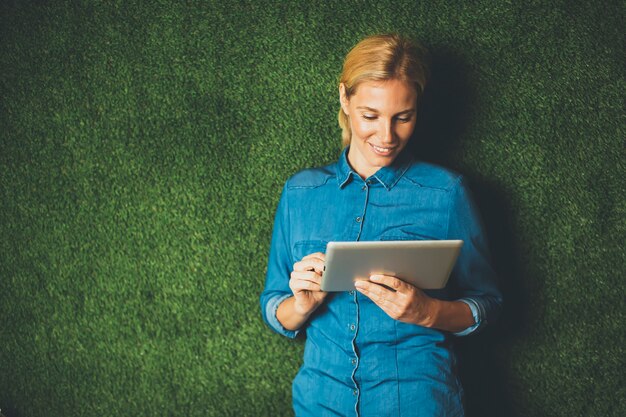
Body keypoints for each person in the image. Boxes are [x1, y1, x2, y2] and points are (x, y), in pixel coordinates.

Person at [260, 33, 502, 417]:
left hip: (417, 401)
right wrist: (301, 306)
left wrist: (427, 313)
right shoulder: (300, 192)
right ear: (345, 99)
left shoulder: (446, 193)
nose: (387, 137)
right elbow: (273, 303)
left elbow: (487, 302)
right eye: (370, 116)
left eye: (403, 117)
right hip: (320, 401)